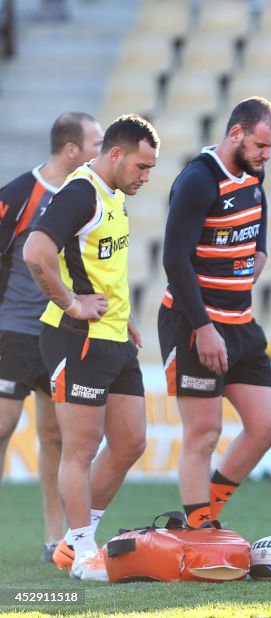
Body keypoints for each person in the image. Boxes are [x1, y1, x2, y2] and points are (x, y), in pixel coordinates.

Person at [23, 114, 159, 581]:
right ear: (116, 154)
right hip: (76, 338)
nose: (146, 176)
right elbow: (35, 252)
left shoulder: (114, 194)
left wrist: (127, 320)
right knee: (80, 448)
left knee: (130, 442)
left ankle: (75, 539)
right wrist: (72, 303)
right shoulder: (80, 193)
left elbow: (104, 268)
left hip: (116, 337)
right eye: (142, 167)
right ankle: (82, 551)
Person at [159, 97, 271, 529]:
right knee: (204, 433)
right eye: (261, 146)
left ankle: (203, 515)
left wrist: (259, 256)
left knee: (268, 425)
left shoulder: (253, 173)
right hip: (196, 324)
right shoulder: (198, 179)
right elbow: (175, 260)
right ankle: (199, 529)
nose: (266, 156)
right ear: (236, 134)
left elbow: (258, 225)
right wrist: (204, 328)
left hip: (241, 322)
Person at [0, 112, 102, 562]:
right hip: (11, 330)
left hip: (58, 331)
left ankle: (52, 538)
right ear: (71, 149)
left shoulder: (90, 195)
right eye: (97, 142)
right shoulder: (21, 194)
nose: (103, 149)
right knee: (2, 427)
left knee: (53, 437)